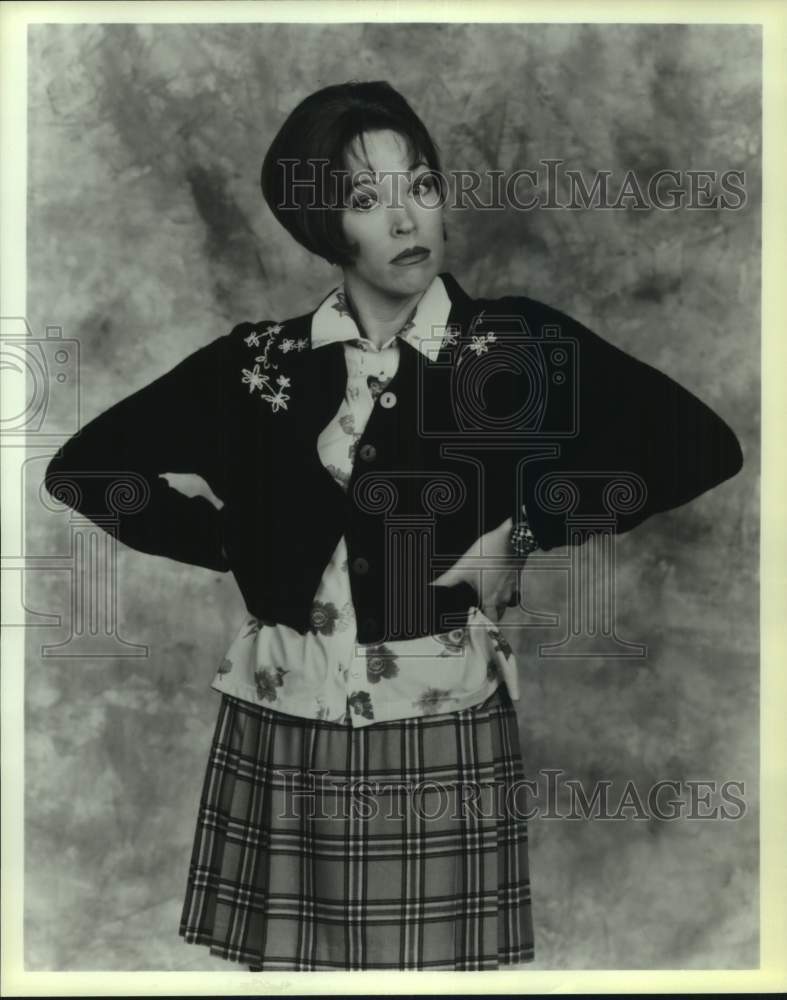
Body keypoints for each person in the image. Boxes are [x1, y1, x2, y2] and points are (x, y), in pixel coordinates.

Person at [44, 80, 743, 972]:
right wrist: (226, 541)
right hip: (285, 716)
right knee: (299, 979)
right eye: (366, 199)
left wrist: (527, 525)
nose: (407, 218)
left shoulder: (512, 346)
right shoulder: (262, 364)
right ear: (322, 223)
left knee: (430, 977)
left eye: (420, 184)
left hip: (438, 713)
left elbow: (698, 446)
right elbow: (86, 471)